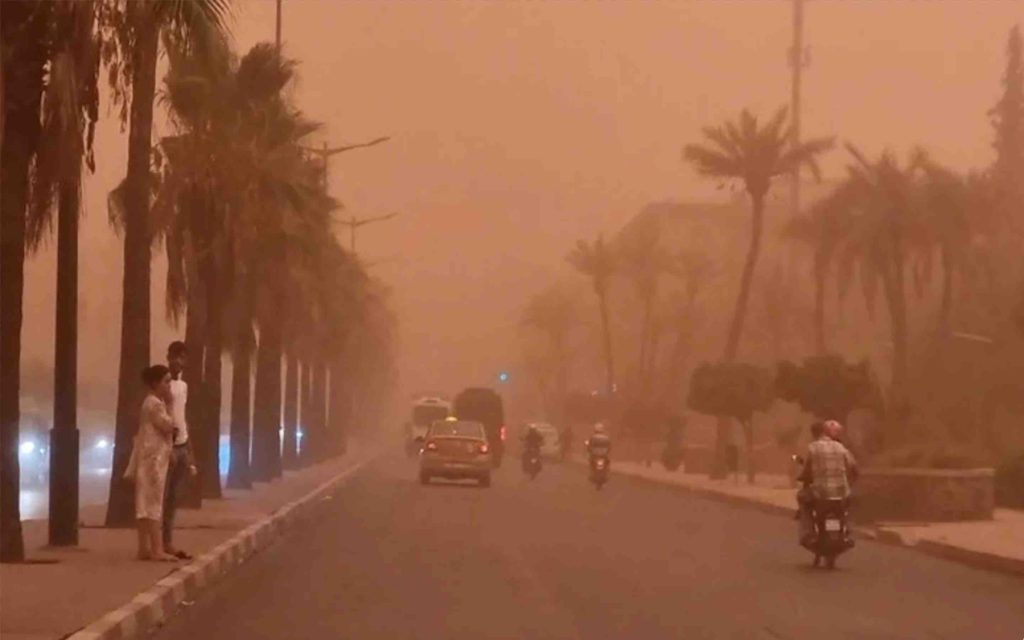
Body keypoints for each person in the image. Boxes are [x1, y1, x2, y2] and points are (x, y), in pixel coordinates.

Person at [126, 365, 177, 561]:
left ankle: (144, 548)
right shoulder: (156, 404)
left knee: (143, 503)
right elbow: (168, 426)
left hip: (148, 458)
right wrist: (171, 405)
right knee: (154, 502)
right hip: (154, 460)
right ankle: (156, 549)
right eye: (166, 381)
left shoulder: (149, 402)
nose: (169, 386)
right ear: (155, 383)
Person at [163, 341, 197, 560]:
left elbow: (183, 418)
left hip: (183, 445)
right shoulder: (162, 384)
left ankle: (168, 541)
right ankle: (160, 543)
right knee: (162, 496)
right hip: (168, 446)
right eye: (176, 357)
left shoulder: (183, 386)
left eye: (182, 358)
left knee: (173, 497)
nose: (179, 361)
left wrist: (191, 454)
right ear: (168, 357)